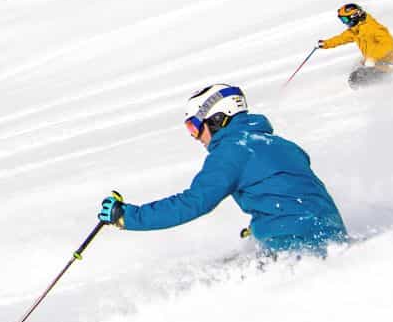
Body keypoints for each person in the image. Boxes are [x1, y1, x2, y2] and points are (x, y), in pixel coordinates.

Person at [100, 85, 347, 252]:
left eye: (194, 126)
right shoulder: (283, 144)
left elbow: (194, 203)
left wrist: (126, 217)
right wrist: (257, 229)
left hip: (291, 246)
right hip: (332, 234)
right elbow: (289, 193)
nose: (195, 136)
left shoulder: (232, 151)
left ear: (218, 120)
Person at [318, 3, 393, 88]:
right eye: (342, 20)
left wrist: (373, 58)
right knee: (355, 77)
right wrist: (326, 44)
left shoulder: (373, 28)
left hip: (387, 67)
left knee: (357, 80)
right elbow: (341, 38)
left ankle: (386, 86)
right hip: (373, 65)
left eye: (345, 19)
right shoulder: (356, 30)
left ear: (354, 16)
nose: (344, 23)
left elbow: (388, 44)